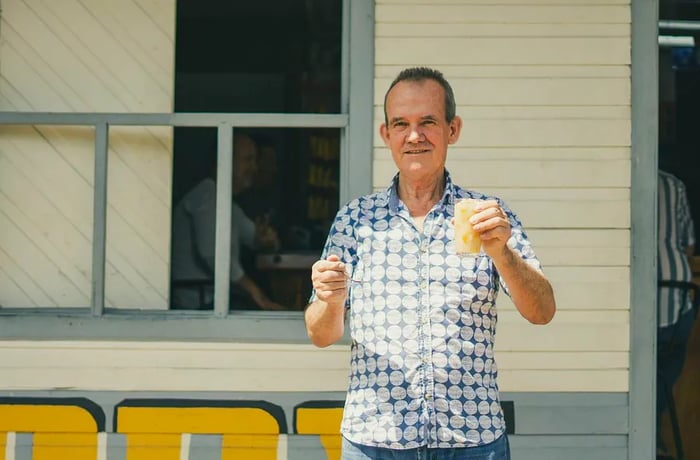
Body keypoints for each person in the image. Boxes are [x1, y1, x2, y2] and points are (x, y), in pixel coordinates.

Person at [305, 67, 556, 459]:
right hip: (376, 441)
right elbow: (320, 334)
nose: (414, 136)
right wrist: (330, 299)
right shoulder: (355, 221)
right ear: (385, 134)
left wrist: (502, 254)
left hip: (472, 440)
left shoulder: (486, 215)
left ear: (453, 130)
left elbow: (542, 311)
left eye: (428, 122)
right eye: (401, 123)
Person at [171, 132, 282, 311]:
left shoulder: (227, 204)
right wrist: (255, 292)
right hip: (197, 305)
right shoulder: (208, 195)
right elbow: (213, 254)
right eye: (248, 160)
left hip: (214, 302)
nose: (255, 168)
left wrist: (266, 240)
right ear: (225, 160)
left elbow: (255, 238)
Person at [656, 169, 696, 458]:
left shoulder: (624, 177)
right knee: (666, 368)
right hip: (677, 290)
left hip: (646, 296)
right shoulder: (674, 183)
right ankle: (655, 431)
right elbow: (688, 244)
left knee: (648, 371)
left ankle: (651, 435)